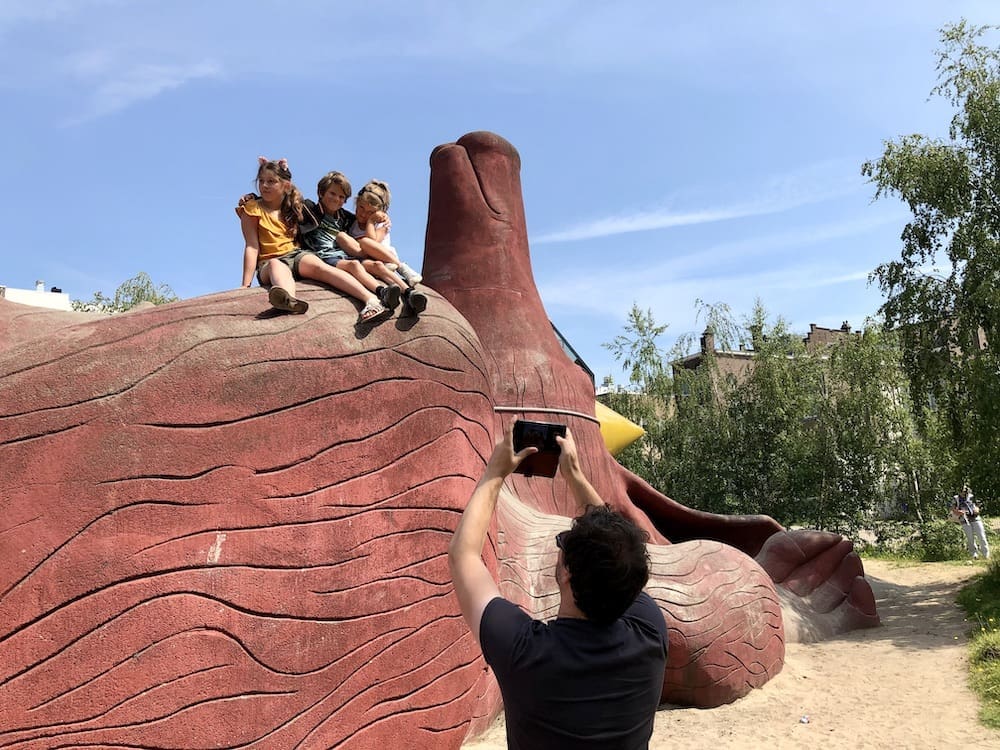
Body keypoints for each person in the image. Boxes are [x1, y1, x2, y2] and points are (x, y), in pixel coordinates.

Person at [449, 424, 667, 749]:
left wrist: (495, 472)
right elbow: (620, 551)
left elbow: (463, 556)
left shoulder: (525, 652)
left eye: (563, 542)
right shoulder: (650, 632)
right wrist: (575, 476)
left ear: (566, 572)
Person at [237, 158, 391, 323]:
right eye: (261, 181)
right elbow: (252, 247)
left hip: (296, 254)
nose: (265, 185)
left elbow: (346, 217)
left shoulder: (293, 206)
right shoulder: (252, 208)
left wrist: (379, 220)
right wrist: (246, 285)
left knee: (321, 267)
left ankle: (371, 300)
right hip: (269, 261)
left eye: (271, 181)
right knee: (276, 265)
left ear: (285, 185)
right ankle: (289, 299)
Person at [298, 171, 403, 312]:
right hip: (323, 257)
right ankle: (379, 293)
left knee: (367, 263)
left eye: (341, 197)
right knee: (354, 263)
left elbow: (368, 225)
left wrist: (382, 218)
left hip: (346, 256)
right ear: (321, 192)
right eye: (332, 193)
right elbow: (289, 201)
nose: (336, 199)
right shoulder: (309, 209)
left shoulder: (346, 218)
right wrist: (284, 173)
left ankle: (404, 289)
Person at [334, 179, 428, 314]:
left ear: (378, 213)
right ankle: (402, 292)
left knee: (366, 243)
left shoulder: (381, 224)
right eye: (361, 207)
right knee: (372, 265)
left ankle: (402, 268)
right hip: (370, 261)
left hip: (386, 258)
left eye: (370, 212)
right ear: (357, 202)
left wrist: (372, 221)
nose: (363, 214)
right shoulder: (352, 223)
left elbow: (372, 242)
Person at [951, 485, 990, 560]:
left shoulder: (972, 496)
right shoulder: (956, 498)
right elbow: (953, 509)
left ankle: (986, 554)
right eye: (962, 491)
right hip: (964, 519)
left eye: (965, 491)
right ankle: (974, 554)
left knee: (981, 536)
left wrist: (977, 510)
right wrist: (959, 512)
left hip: (975, 518)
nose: (964, 492)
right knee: (970, 538)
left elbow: (978, 505)